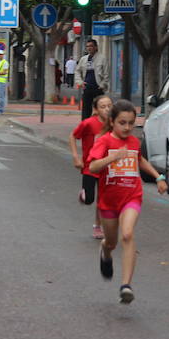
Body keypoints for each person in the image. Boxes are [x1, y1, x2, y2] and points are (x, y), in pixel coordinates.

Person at [88, 99, 168, 304]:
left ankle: (126, 285)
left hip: (131, 195)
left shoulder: (133, 142)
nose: (127, 127)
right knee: (112, 242)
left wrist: (157, 177)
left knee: (128, 233)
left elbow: (139, 159)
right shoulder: (104, 141)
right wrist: (111, 159)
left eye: (131, 123)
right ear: (113, 122)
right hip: (108, 202)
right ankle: (105, 252)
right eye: (122, 123)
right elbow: (94, 167)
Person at [69, 95, 113, 240]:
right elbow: (73, 136)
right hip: (90, 166)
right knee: (89, 199)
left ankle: (97, 226)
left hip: (106, 166)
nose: (107, 109)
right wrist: (76, 156)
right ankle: (84, 195)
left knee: (103, 198)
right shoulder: (88, 123)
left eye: (109, 106)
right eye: (103, 107)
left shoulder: (114, 125)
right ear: (95, 109)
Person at [75, 39, 110, 120]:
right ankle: (85, 126)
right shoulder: (83, 59)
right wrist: (80, 82)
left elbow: (106, 74)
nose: (89, 48)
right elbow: (77, 71)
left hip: (98, 88)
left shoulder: (102, 58)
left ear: (96, 47)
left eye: (91, 46)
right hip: (87, 87)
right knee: (86, 110)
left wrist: (102, 85)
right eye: (87, 46)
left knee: (101, 109)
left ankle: (101, 125)